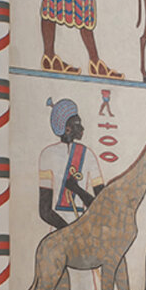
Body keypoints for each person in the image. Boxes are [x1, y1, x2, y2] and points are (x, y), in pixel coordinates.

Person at [36, 97, 96, 231]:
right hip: (59, 232)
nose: (82, 128)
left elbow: (101, 204)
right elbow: (45, 211)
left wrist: (77, 190)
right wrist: (68, 233)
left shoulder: (88, 154)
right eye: (77, 124)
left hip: (84, 228)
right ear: (67, 129)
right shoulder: (48, 154)